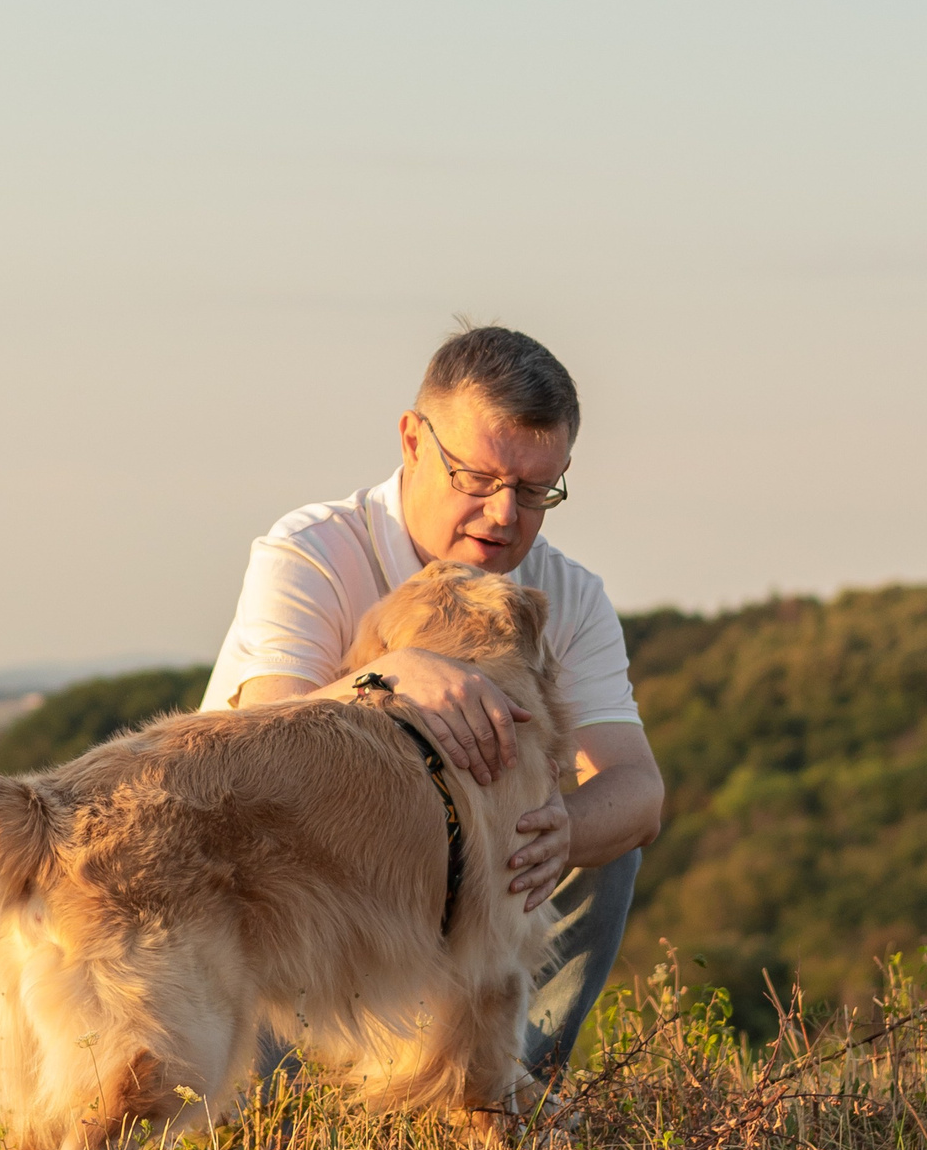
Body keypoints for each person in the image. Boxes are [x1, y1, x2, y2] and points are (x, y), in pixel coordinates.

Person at [203, 324, 665, 1080]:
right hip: (295, 923)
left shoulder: (568, 595)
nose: (504, 516)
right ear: (413, 441)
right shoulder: (313, 551)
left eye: (535, 490)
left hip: (457, 921)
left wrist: (562, 830)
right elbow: (263, 740)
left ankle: (503, 1093)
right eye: (478, 479)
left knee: (592, 837)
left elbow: (640, 791)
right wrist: (388, 678)